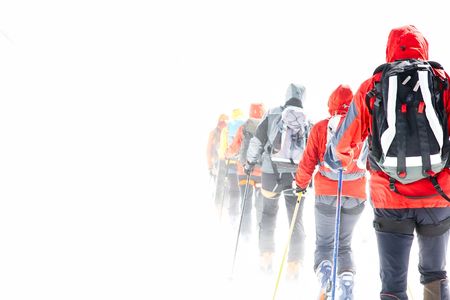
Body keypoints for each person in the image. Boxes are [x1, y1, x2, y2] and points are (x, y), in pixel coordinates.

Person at [325, 25, 450, 299]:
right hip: (438, 196)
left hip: (388, 197)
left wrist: (350, 164)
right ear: (424, 48)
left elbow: (342, 144)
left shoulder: (373, 86)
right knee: (435, 276)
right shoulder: (442, 81)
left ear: (389, 49)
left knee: (393, 284)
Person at [295, 84, 366, 299]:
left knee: (325, 243)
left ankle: (326, 276)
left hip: (326, 192)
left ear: (330, 104)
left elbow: (307, 161)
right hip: (355, 194)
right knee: (344, 244)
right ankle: (346, 279)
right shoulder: (362, 126)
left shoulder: (319, 128)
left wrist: (300, 185)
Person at [246, 83, 310, 280]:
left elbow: (257, 142)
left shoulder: (272, 114)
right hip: (296, 177)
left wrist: (249, 163)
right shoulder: (307, 120)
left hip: (270, 174)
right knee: (295, 220)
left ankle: (266, 257)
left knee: (267, 215)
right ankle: (294, 265)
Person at [226, 103, 265, 240]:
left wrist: (228, 154)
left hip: (243, 170)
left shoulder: (243, 127)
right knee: (260, 203)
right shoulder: (266, 126)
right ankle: (260, 231)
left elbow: (235, 147)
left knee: (246, 202)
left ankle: (245, 234)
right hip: (261, 173)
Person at [220, 108, 245, 224]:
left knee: (233, 191)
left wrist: (224, 157)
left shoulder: (227, 128)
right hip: (243, 164)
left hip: (231, 164)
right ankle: (243, 216)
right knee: (244, 191)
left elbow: (223, 149)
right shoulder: (246, 125)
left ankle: (233, 217)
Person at [207, 114, 228, 209]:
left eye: (225, 121)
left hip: (227, 164)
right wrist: (210, 166)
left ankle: (224, 207)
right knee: (218, 187)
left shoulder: (229, 132)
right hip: (217, 164)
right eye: (221, 121)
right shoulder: (213, 133)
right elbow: (208, 150)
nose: (223, 123)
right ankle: (218, 207)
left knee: (226, 188)